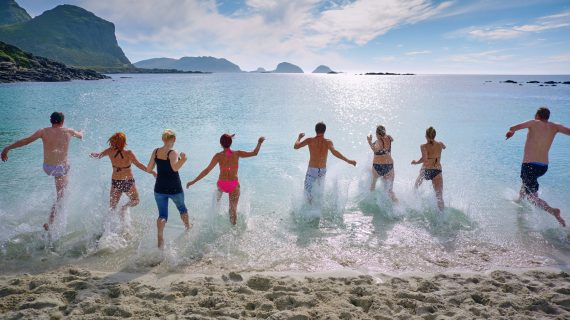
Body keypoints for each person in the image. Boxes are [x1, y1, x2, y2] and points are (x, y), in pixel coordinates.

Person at [1, 112, 83, 230]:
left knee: (63, 188)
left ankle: (60, 199)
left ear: (51, 121)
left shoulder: (43, 131)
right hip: (61, 169)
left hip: (47, 168)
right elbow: (80, 136)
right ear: (62, 121)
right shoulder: (69, 131)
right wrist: (81, 131)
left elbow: (26, 141)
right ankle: (50, 223)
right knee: (62, 195)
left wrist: (7, 148)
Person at [506, 107, 569, 227]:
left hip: (529, 165)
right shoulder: (555, 126)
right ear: (547, 117)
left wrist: (511, 132)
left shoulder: (534, 123)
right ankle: (519, 201)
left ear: (537, 116)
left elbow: (513, 127)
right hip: (543, 167)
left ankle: (552, 211)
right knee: (526, 183)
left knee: (532, 197)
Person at [186, 134, 265, 225]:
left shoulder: (218, 156)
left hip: (222, 184)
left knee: (217, 196)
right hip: (233, 185)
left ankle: (214, 213)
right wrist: (259, 142)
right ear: (231, 143)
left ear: (221, 144)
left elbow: (207, 171)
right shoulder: (237, 154)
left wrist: (193, 181)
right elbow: (254, 153)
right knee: (232, 209)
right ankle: (233, 227)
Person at [90, 132, 156, 221]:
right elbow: (139, 165)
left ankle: (107, 227)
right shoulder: (128, 153)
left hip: (115, 182)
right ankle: (124, 208)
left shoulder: (109, 151)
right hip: (127, 181)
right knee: (135, 200)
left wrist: (92, 154)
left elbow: (98, 156)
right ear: (124, 142)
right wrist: (152, 172)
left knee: (112, 207)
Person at [146, 129, 190, 248]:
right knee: (182, 208)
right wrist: (184, 159)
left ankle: (160, 238)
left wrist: (155, 170)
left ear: (162, 139)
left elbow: (148, 169)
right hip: (174, 188)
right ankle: (187, 228)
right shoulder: (172, 152)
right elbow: (175, 168)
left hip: (159, 188)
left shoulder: (155, 151)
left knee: (162, 215)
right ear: (174, 139)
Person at [294, 122, 357, 203]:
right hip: (322, 170)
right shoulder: (328, 142)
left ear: (315, 130)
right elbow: (335, 152)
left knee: (307, 192)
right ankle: (318, 208)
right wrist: (348, 160)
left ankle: (310, 209)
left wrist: (299, 137)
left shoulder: (310, 140)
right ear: (324, 131)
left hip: (312, 170)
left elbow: (296, 146)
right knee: (320, 192)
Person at [412, 127, 445, 210]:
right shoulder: (440, 144)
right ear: (434, 135)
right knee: (439, 196)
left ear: (426, 136)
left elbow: (424, 159)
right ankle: (443, 217)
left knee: (416, 187)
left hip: (426, 170)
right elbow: (444, 147)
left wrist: (416, 162)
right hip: (437, 171)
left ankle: (413, 203)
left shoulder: (423, 146)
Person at [367, 125, 397, 202]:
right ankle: (399, 207)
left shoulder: (379, 142)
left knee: (373, 185)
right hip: (389, 167)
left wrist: (370, 142)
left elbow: (375, 150)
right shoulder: (389, 138)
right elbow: (392, 140)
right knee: (390, 191)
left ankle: (371, 201)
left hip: (378, 167)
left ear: (378, 134)